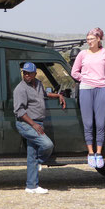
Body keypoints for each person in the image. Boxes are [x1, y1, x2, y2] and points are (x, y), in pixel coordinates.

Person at [13, 62, 66, 194]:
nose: (26, 75)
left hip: (37, 123)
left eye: (29, 73)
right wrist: (34, 125)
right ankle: (39, 162)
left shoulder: (38, 84)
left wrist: (58, 95)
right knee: (47, 144)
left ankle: (31, 186)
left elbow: (44, 95)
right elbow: (19, 111)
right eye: (24, 73)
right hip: (26, 124)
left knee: (32, 155)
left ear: (35, 74)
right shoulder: (20, 89)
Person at [71, 27, 105, 169]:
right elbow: (74, 72)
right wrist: (84, 78)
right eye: (87, 39)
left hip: (101, 88)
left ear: (99, 39)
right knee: (88, 123)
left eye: (92, 39)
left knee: (100, 123)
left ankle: (99, 153)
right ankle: (90, 152)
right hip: (86, 89)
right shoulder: (82, 54)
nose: (89, 42)